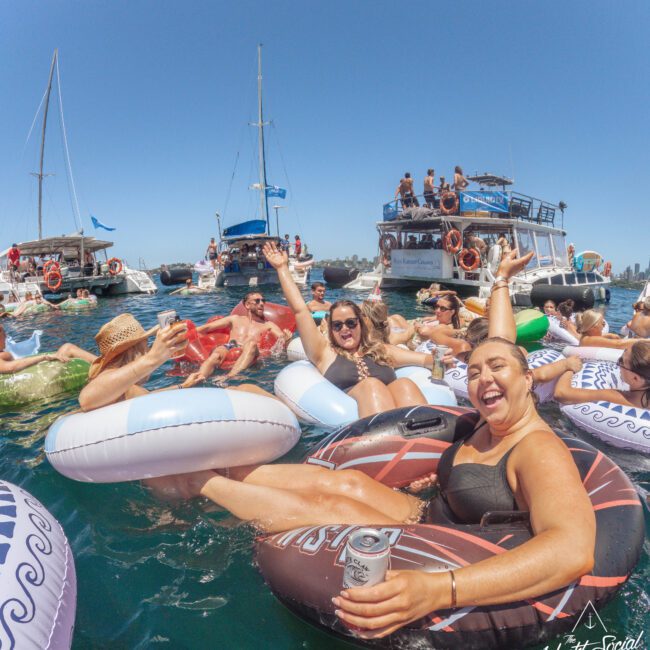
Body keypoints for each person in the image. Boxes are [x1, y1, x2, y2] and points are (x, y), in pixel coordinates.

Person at [150, 295, 595, 639]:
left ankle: (197, 482)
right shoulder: (489, 425)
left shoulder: (538, 449)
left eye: (496, 369)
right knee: (342, 481)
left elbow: (573, 551)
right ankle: (221, 470)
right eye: (474, 372)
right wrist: (499, 283)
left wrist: (441, 589)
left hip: (448, 545)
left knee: (326, 501)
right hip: (426, 513)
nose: (482, 379)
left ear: (528, 378)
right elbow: (498, 342)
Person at [263, 241, 435, 418]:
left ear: (361, 324)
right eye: (337, 325)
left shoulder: (381, 350)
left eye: (351, 323)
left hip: (397, 412)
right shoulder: (324, 353)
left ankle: (429, 438)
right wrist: (282, 268)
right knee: (371, 385)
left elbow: (426, 360)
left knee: (404, 384)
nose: (345, 328)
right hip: (358, 415)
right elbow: (300, 310)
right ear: (331, 330)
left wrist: (445, 359)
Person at [184, 291, 292, 386]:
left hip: (252, 352)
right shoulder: (235, 319)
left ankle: (229, 377)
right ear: (247, 305)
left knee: (251, 344)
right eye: (257, 301)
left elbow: (281, 338)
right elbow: (207, 327)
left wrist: (287, 339)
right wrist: (185, 334)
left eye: (263, 301)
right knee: (217, 352)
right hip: (231, 346)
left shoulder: (268, 324)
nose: (262, 303)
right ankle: (197, 378)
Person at [555, 340, 650, 410]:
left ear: (635, 378)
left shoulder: (616, 396)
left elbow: (561, 394)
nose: (618, 364)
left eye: (621, 361)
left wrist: (569, 367)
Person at [0, 321, 95, 374]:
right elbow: (11, 367)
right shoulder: (2, 355)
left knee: (65, 348)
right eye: (3, 332)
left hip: (28, 376)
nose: (6, 336)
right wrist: (44, 357)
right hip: (34, 380)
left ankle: (103, 363)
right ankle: (105, 364)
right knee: (68, 348)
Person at [575, 309, 644, 349]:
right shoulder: (589, 340)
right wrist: (644, 340)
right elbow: (618, 344)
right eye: (602, 323)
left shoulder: (585, 338)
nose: (603, 326)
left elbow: (599, 337)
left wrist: (610, 335)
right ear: (593, 327)